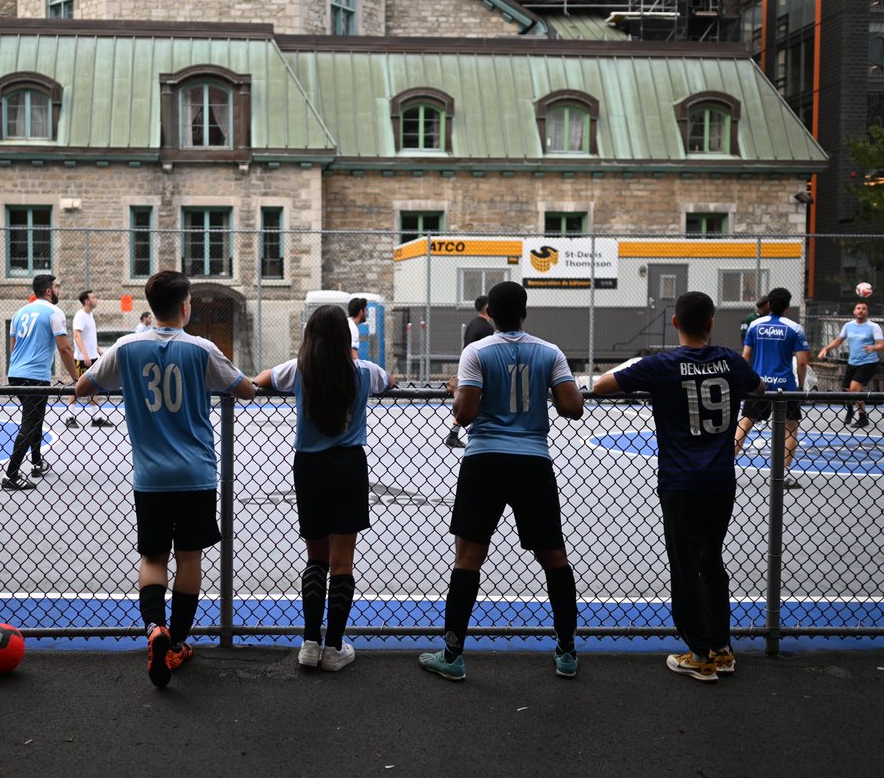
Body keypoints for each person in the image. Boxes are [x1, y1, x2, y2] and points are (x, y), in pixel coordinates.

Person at [76, 270, 256, 688]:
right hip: (195, 473)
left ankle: (154, 628)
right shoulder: (201, 349)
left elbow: (83, 387)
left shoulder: (127, 346)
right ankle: (175, 642)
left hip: (150, 475)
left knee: (153, 558)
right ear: (184, 306)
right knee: (189, 558)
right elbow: (244, 389)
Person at [593, 291, 764, 682]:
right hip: (721, 479)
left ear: (675, 324)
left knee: (685, 565)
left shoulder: (661, 365)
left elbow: (602, 386)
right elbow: (758, 389)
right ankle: (722, 648)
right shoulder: (731, 361)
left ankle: (700, 653)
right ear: (711, 322)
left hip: (680, 480)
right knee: (712, 561)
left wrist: (637, 369)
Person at [419, 282, 584, 682]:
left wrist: (458, 392)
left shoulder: (476, 352)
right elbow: (572, 408)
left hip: (485, 460)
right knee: (554, 557)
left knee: (468, 558)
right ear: (525, 311)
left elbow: (466, 414)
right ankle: (565, 651)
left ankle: (453, 655)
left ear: (489, 312)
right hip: (533, 461)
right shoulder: (550, 352)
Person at [252, 305, 395, 672]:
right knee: (342, 560)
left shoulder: (299, 370)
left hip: (310, 466)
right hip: (348, 465)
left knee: (316, 556)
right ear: (347, 338)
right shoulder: (363, 372)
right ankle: (334, 646)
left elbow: (263, 378)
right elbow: (389, 381)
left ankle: (310, 641)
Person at [3, 274, 78, 491]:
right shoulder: (55, 312)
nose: (58, 291)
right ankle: (12, 474)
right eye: (56, 287)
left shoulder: (19, 312)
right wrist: (76, 379)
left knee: (35, 417)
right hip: (35, 376)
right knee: (31, 421)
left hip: (16, 373)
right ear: (48, 290)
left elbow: (13, 346)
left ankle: (36, 462)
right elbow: (64, 348)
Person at [733, 287, 810, 490]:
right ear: (787, 306)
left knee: (745, 424)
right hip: (785, 386)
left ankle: (723, 468)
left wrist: (746, 381)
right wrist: (801, 386)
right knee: (790, 427)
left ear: (768, 304)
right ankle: (782, 475)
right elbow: (802, 362)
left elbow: (745, 357)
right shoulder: (795, 328)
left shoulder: (755, 325)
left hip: (759, 385)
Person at [817, 301, 883, 428]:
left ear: (867, 312)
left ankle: (863, 418)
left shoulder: (873, 327)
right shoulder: (848, 326)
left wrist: (873, 348)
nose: (861, 310)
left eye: (864, 309)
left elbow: (882, 345)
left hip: (868, 362)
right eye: (858, 308)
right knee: (848, 390)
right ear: (854, 311)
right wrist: (826, 349)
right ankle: (850, 409)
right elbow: (839, 340)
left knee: (854, 388)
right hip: (853, 362)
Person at [444, 296, 495, 448]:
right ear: (488, 308)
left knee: (466, 401)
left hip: (467, 367)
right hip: (477, 370)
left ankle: (453, 434)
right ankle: (458, 434)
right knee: (474, 403)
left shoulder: (473, 324)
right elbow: (489, 352)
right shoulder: (486, 328)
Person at [67, 289, 113, 429]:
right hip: (82, 359)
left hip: (92, 357)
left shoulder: (90, 315)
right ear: (86, 301)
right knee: (78, 387)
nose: (96, 299)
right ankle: (69, 416)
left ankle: (96, 417)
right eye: (93, 297)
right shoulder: (80, 316)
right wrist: (85, 354)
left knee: (94, 386)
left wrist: (98, 349)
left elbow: (89, 337)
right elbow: (77, 336)